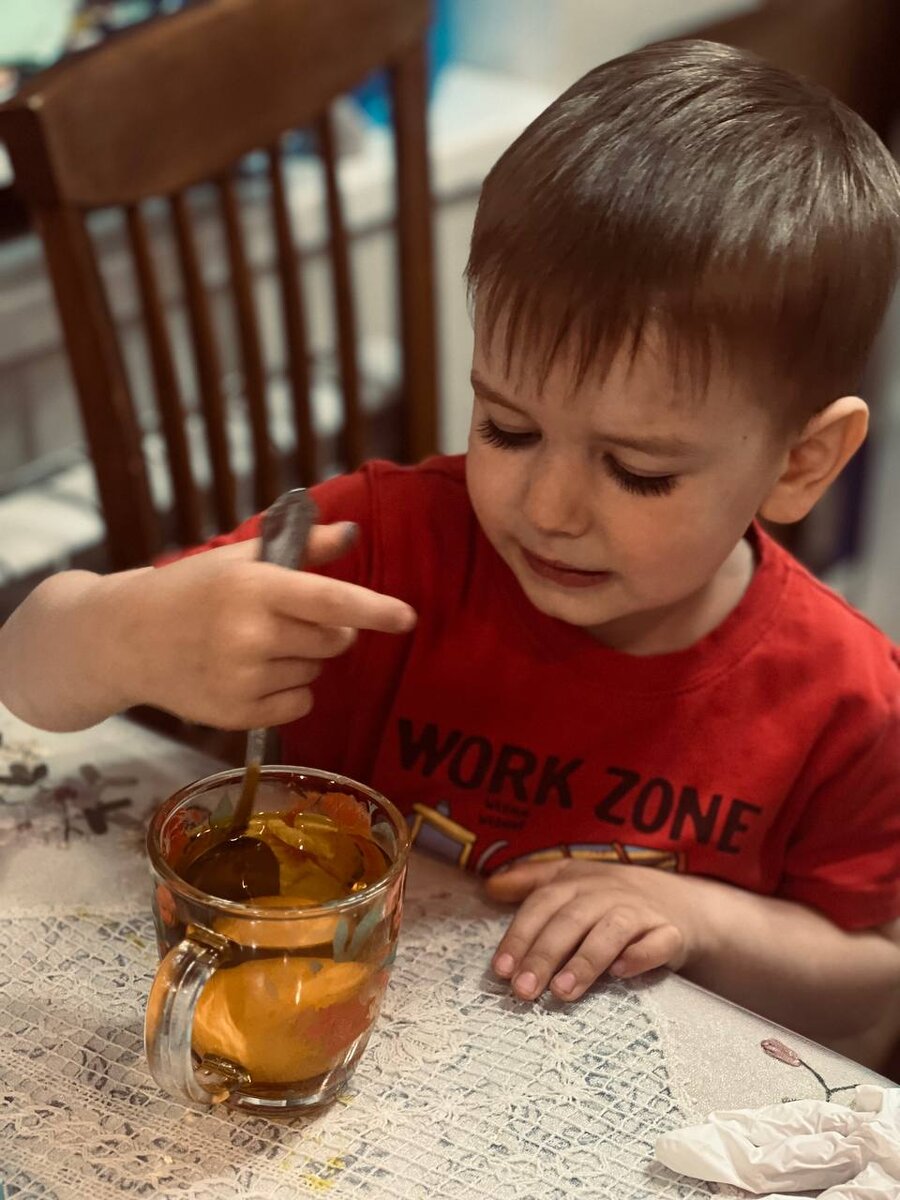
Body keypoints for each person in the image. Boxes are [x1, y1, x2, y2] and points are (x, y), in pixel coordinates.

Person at [2, 39, 899, 1066]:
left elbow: (871, 985)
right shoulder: (378, 546)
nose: (548, 509)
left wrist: (704, 920)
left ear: (802, 462)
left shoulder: (848, 699)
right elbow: (24, 669)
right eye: (507, 428)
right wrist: (122, 636)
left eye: (638, 471)